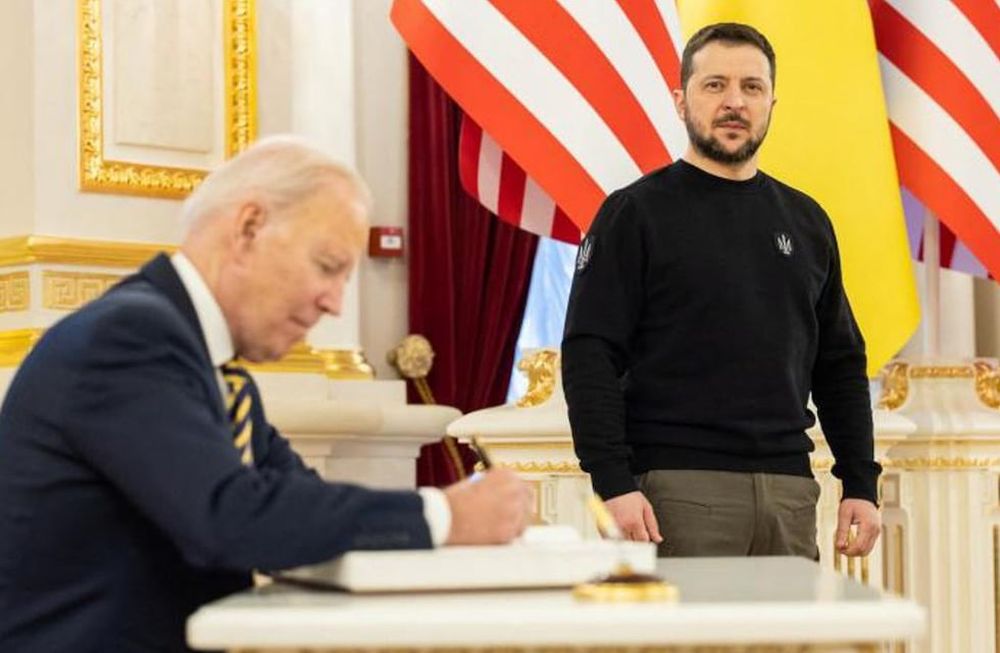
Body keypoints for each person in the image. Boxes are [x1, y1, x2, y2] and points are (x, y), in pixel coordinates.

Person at [0, 136, 533, 652]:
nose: (335, 304)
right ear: (249, 227)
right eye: (328, 267)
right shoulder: (130, 337)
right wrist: (444, 514)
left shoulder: (218, 373)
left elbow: (292, 505)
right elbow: (231, 518)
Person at [562, 23, 881, 560]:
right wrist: (613, 481)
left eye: (751, 87)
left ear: (772, 102)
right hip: (675, 491)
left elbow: (840, 365)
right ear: (681, 99)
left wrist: (861, 484)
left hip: (790, 492)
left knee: (792, 647)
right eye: (715, 86)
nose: (734, 102)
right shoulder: (633, 214)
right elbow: (589, 353)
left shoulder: (806, 221)